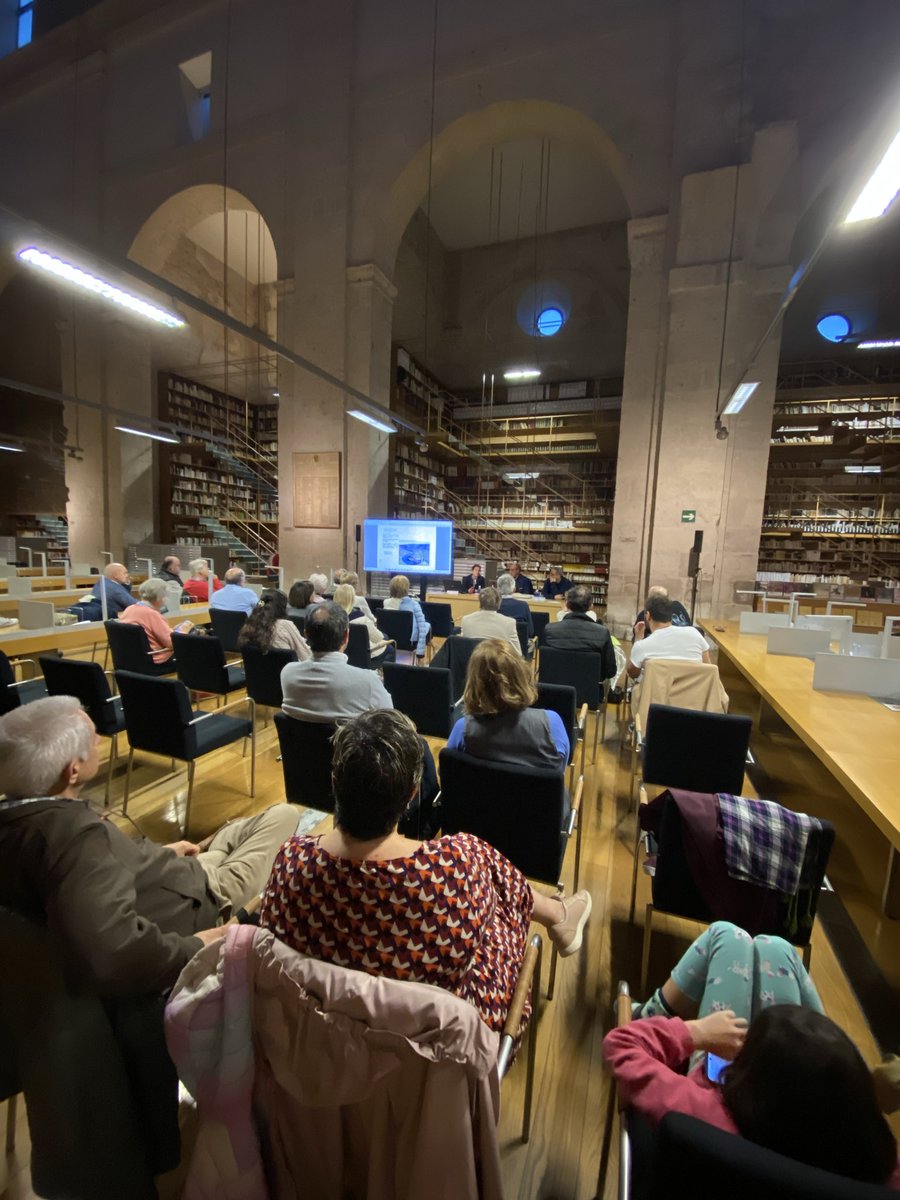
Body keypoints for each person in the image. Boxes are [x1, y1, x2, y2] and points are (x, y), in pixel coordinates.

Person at [260, 709, 592, 1034]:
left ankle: (558, 914)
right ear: (412, 794)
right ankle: (557, 913)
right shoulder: (456, 864)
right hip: (434, 1050)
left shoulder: (290, 860)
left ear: (333, 782)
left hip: (313, 1038)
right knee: (491, 902)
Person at [0, 697, 300, 995]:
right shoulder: (74, 840)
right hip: (204, 897)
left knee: (233, 832)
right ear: (73, 770)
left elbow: (100, 874)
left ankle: (216, 845)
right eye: (93, 740)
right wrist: (202, 942)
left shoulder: (19, 817)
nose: (101, 742)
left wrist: (163, 852)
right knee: (283, 815)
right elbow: (110, 955)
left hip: (175, 872)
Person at [603, 921, 900, 1188]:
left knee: (728, 936)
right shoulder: (875, 1166)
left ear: (749, 1074)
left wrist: (697, 1033)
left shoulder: (701, 1112)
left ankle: (649, 1012)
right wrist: (865, 1098)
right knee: (777, 949)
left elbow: (622, 1045)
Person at [447, 638, 568, 768]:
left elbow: (448, 771)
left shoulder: (463, 730)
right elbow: (560, 768)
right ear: (521, 675)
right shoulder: (551, 723)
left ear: (474, 683)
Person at [280, 601, 392, 721]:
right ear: (346, 636)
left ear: (306, 635)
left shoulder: (288, 673)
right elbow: (390, 720)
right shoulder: (369, 681)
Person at [540, 583, 617, 679]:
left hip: (555, 688)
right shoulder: (602, 633)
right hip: (589, 690)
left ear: (567, 605)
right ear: (590, 607)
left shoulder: (549, 630)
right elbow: (610, 671)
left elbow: (544, 663)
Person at [627, 594, 710, 680]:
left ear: (647, 615)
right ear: (671, 614)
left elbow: (632, 674)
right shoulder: (695, 634)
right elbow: (708, 669)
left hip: (659, 692)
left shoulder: (642, 646)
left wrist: (638, 639)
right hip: (693, 692)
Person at [119, 578, 193, 663]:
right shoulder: (152, 614)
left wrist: (173, 630)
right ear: (160, 598)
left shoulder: (130, 609)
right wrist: (183, 630)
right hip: (156, 659)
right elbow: (172, 643)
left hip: (132, 659)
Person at [237, 589, 311, 660]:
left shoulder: (249, 625)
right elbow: (306, 655)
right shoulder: (284, 625)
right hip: (286, 671)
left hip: (257, 672)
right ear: (283, 607)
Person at [332, 582, 395, 665]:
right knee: (389, 645)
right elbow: (378, 638)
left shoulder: (329, 619)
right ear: (352, 599)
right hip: (366, 656)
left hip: (340, 655)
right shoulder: (361, 619)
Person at [460, 586, 522, 656]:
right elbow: (518, 654)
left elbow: (463, 649)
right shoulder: (509, 623)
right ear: (499, 604)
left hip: (471, 664)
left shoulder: (466, 620)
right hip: (497, 665)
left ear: (480, 602)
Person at [383, 574, 431, 659]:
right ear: (407, 589)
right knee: (426, 625)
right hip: (409, 644)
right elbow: (422, 627)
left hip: (390, 642)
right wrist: (420, 652)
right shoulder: (414, 605)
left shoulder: (386, 602)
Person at [496, 572, 534, 640]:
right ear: (514, 589)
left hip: (496, 644)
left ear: (498, 588)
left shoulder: (493, 605)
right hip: (519, 645)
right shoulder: (523, 605)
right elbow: (530, 632)